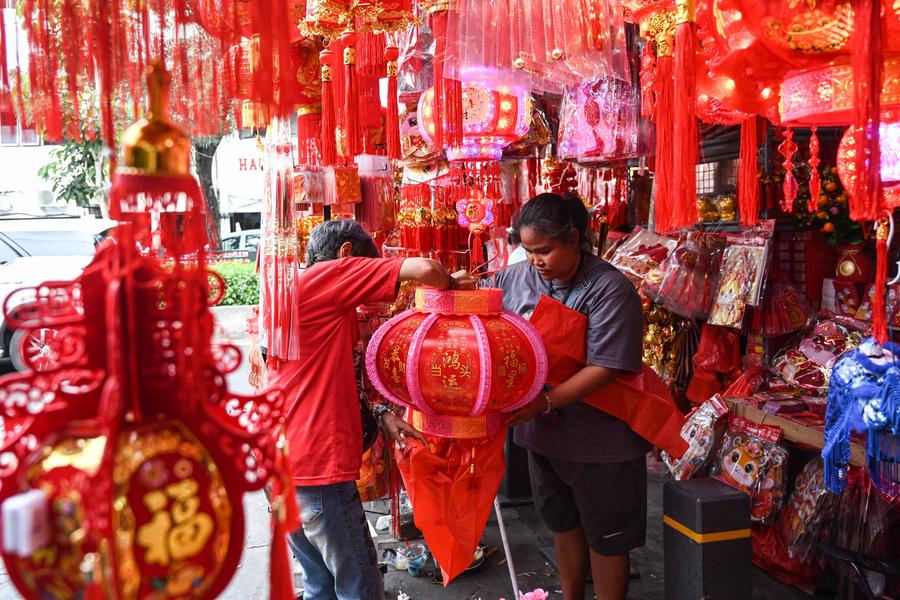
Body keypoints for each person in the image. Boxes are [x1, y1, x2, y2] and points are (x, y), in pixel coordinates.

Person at [267, 219, 473, 600]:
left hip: (282, 464)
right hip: (316, 469)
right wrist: (451, 285)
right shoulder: (327, 277)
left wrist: (380, 414)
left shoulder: (292, 291)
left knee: (321, 585)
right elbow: (425, 269)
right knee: (359, 588)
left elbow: (319, 376)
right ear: (347, 255)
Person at [483, 193, 648, 600]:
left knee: (608, 538)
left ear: (574, 239)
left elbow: (606, 366)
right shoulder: (514, 276)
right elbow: (487, 319)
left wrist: (543, 402)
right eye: (529, 251)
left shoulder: (610, 288)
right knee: (562, 524)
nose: (536, 261)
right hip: (542, 435)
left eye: (545, 250)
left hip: (600, 439)